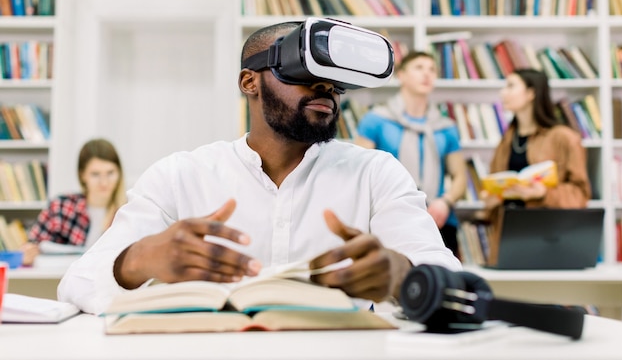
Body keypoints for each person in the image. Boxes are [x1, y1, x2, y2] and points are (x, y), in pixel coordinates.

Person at [57, 19, 462, 315]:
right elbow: (77, 283)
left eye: (336, 82)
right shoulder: (180, 176)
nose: (326, 89)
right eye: (306, 73)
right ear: (249, 82)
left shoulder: (376, 173)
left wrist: (402, 274)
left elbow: (452, 285)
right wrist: (138, 260)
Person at [355, 51, 467, 256]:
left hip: (438, 220)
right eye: (419, 68)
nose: (427, 74)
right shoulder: (376, 120)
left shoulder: (446, 126)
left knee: (443, 283)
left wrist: (446, 202)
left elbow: (460, 177)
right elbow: (359, 174)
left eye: (432, 69)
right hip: (387, 219)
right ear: (402, 76)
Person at [480, 68, 591, 264]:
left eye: (511, 86)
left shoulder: (564, 138)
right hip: (507, 236)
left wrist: (542, 194)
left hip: (549, 237)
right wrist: (491, 198)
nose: (503, 92)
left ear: (531, 93)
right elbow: (492, 190)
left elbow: (581, 195)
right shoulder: (506, 140)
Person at [21, 138, 126, 266]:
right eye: (95, 174)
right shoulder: (61, 206)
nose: (104, 182)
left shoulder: (128, 210)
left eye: (110, 173)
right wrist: (28, 252)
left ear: (119, 173)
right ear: (83, 175)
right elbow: (33, 244)